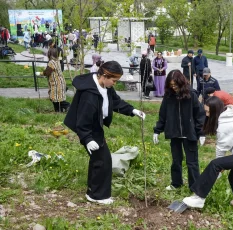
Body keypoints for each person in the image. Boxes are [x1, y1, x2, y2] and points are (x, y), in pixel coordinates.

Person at [64, 61, 146, 205]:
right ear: (104, 76)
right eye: (114, 80)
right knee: (103, 160)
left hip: (96, 125)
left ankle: (92, 192)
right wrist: (87, 139)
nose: (114, 83)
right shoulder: (89, 94)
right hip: (88, 127)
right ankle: (97, 196)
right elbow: (82, 120)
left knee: (99, 159)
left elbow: (116, 102)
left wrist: (133, 110)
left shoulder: (105, 87)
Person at [182, 96, 233, 218]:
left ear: (216, 111)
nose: (207, 115)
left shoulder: (225, 125)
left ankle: (199, 198)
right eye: (206, 111)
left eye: (208, 112)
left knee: (215, 164)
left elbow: (221, 149)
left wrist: (217, 171)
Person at [153, 70, 206, 191]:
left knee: (192, 162)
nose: (173, 88)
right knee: (176, 160)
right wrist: (157, 130)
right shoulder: (168, 96)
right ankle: (176, 183)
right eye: (171, 85)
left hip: (189, 133)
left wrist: (201, 132)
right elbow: (163, 114)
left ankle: (194, 187)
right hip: (174, 132)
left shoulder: (191, 94)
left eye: (175, 85)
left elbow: (199, 114)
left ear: (181, 83)